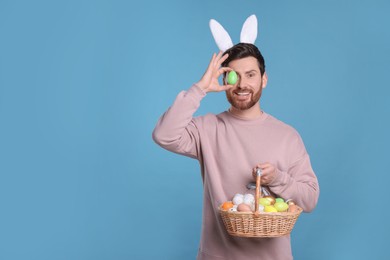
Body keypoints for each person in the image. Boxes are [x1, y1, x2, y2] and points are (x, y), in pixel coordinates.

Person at [152, 15, 319, 260]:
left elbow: (310, 199)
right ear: (223, 80)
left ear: (264, 79)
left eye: (250, 75)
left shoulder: (287, 136)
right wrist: (200, 89)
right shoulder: (207, 128)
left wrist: (278, 179)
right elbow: (163, 134)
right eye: (233, 76)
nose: (242, 84)